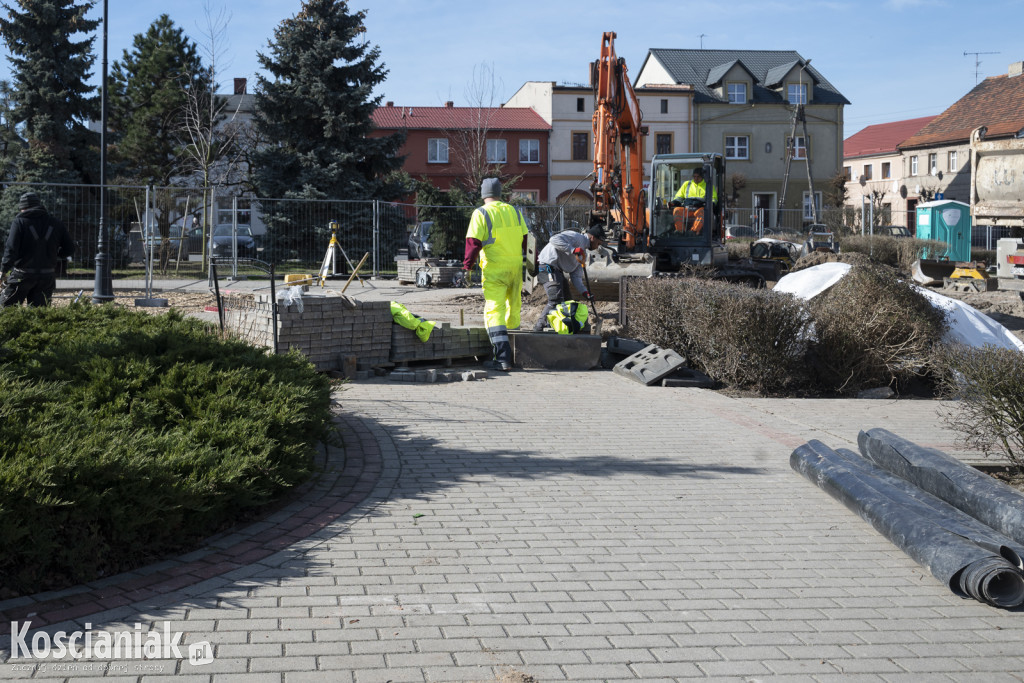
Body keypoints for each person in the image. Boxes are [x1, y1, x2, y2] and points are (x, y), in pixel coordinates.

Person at [463, 178, 528, 371]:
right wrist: (534, 263)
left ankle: (502, 357)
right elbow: (527, 239)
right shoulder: (514, 211)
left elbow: (473, 242)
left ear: (483, 194)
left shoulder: (481, 213)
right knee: (513, 306)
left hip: (495, 267)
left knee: (494, 309)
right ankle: (516, 352)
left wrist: (467, 267)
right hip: (516, 267)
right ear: (500, 193)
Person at [0, 192, 75, 308]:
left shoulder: (19, 222)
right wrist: (55, 254)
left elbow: (11, 249)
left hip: (22, 275)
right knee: (39, 315)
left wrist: (3, 270)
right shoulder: (56, 223)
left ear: (23, 208)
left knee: (5, 309)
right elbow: (70, 248)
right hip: (47, 276)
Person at [533, 225, 606, 332]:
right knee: (555, 299)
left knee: (568, 301)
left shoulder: (582, 254)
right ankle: (538, 329)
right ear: (592, 238)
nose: (597, 247)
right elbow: (553, 239)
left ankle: (567, 328)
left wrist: (585, 292)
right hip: (547, 266)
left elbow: (576, 277)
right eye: (598, 243)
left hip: (557, 271)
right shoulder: (576, 237)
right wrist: (572, 249)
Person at [671, 168, 718, 233]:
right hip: (687, 209)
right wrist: (673, 203)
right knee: (677, 210)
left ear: (702, 177)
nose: (696, 178)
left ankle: (694, 231)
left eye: (698, 177)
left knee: (703, 212)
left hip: (699, 209)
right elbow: (679, 196)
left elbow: (714, 198)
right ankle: (680, 231)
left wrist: (711, 204)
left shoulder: (708, 186)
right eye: (694, 176)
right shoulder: (686, 184)